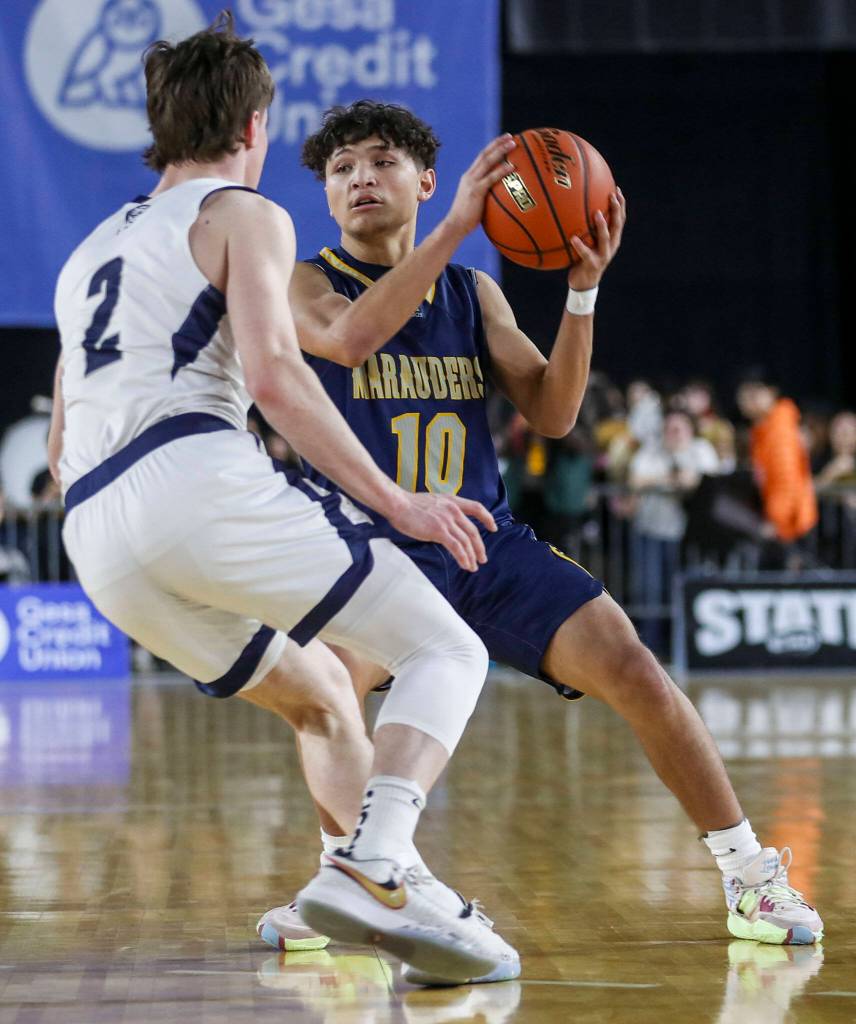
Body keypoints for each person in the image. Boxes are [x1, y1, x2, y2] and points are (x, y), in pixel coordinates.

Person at [258, 100, 823, 954]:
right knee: (333, 692)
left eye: (379, 162)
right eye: (342, 170)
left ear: (426, 180)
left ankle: (748, 876)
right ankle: (347, 874)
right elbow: (347, 340)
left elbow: (554, 412)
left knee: (636, 666)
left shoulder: (472, 292)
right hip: (372, 548)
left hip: (484, 542)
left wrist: (583, 291)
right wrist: (455, 228)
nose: (360, 179)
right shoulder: (308, 281)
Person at [47, 16, 519, 985]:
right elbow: (275, 374)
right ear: (256, 125)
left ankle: (388, 886)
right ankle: (374, 857)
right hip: (190, 477)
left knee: (321, 701)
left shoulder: (89, 249)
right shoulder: (245, 213)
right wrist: (398, 501)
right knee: (445, 646)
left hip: (95, 534)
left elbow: (59, 444)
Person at [628, 408, 720, 651]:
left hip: (690, 535)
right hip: (652, 531)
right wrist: (670, 480)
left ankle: (686, 647)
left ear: (690, 430)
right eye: (669, 429)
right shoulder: (652, 450)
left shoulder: (701, 449)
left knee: (686, 589)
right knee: (650, 592)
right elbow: (635, 480)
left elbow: (708, 479)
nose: (674, 434)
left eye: (679, 428)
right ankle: (651, 649)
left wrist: (685, 480)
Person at [736, 373, 818, 568]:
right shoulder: (763, 429)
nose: (747, 400)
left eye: (755, 393)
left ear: (772, 393)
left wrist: (777, 524)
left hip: (789, 525)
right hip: (781, 523)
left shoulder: (780, 429)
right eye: (744, 394)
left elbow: (786, 480)